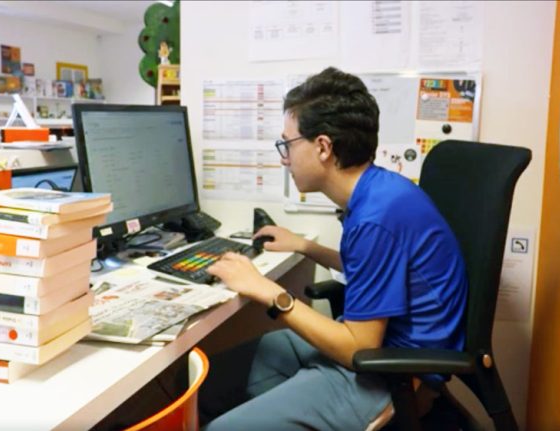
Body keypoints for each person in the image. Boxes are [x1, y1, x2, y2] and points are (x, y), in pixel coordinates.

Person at [200, 67, 468, 431]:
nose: (283, 158)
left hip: (394, 373)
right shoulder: (380, 190)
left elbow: (360, 347)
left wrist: (271, 293)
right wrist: (306, 246)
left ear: (323, 146)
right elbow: (379, 269)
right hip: (383, 350)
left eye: (287, 144)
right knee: (208, 383)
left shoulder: (376, 217)